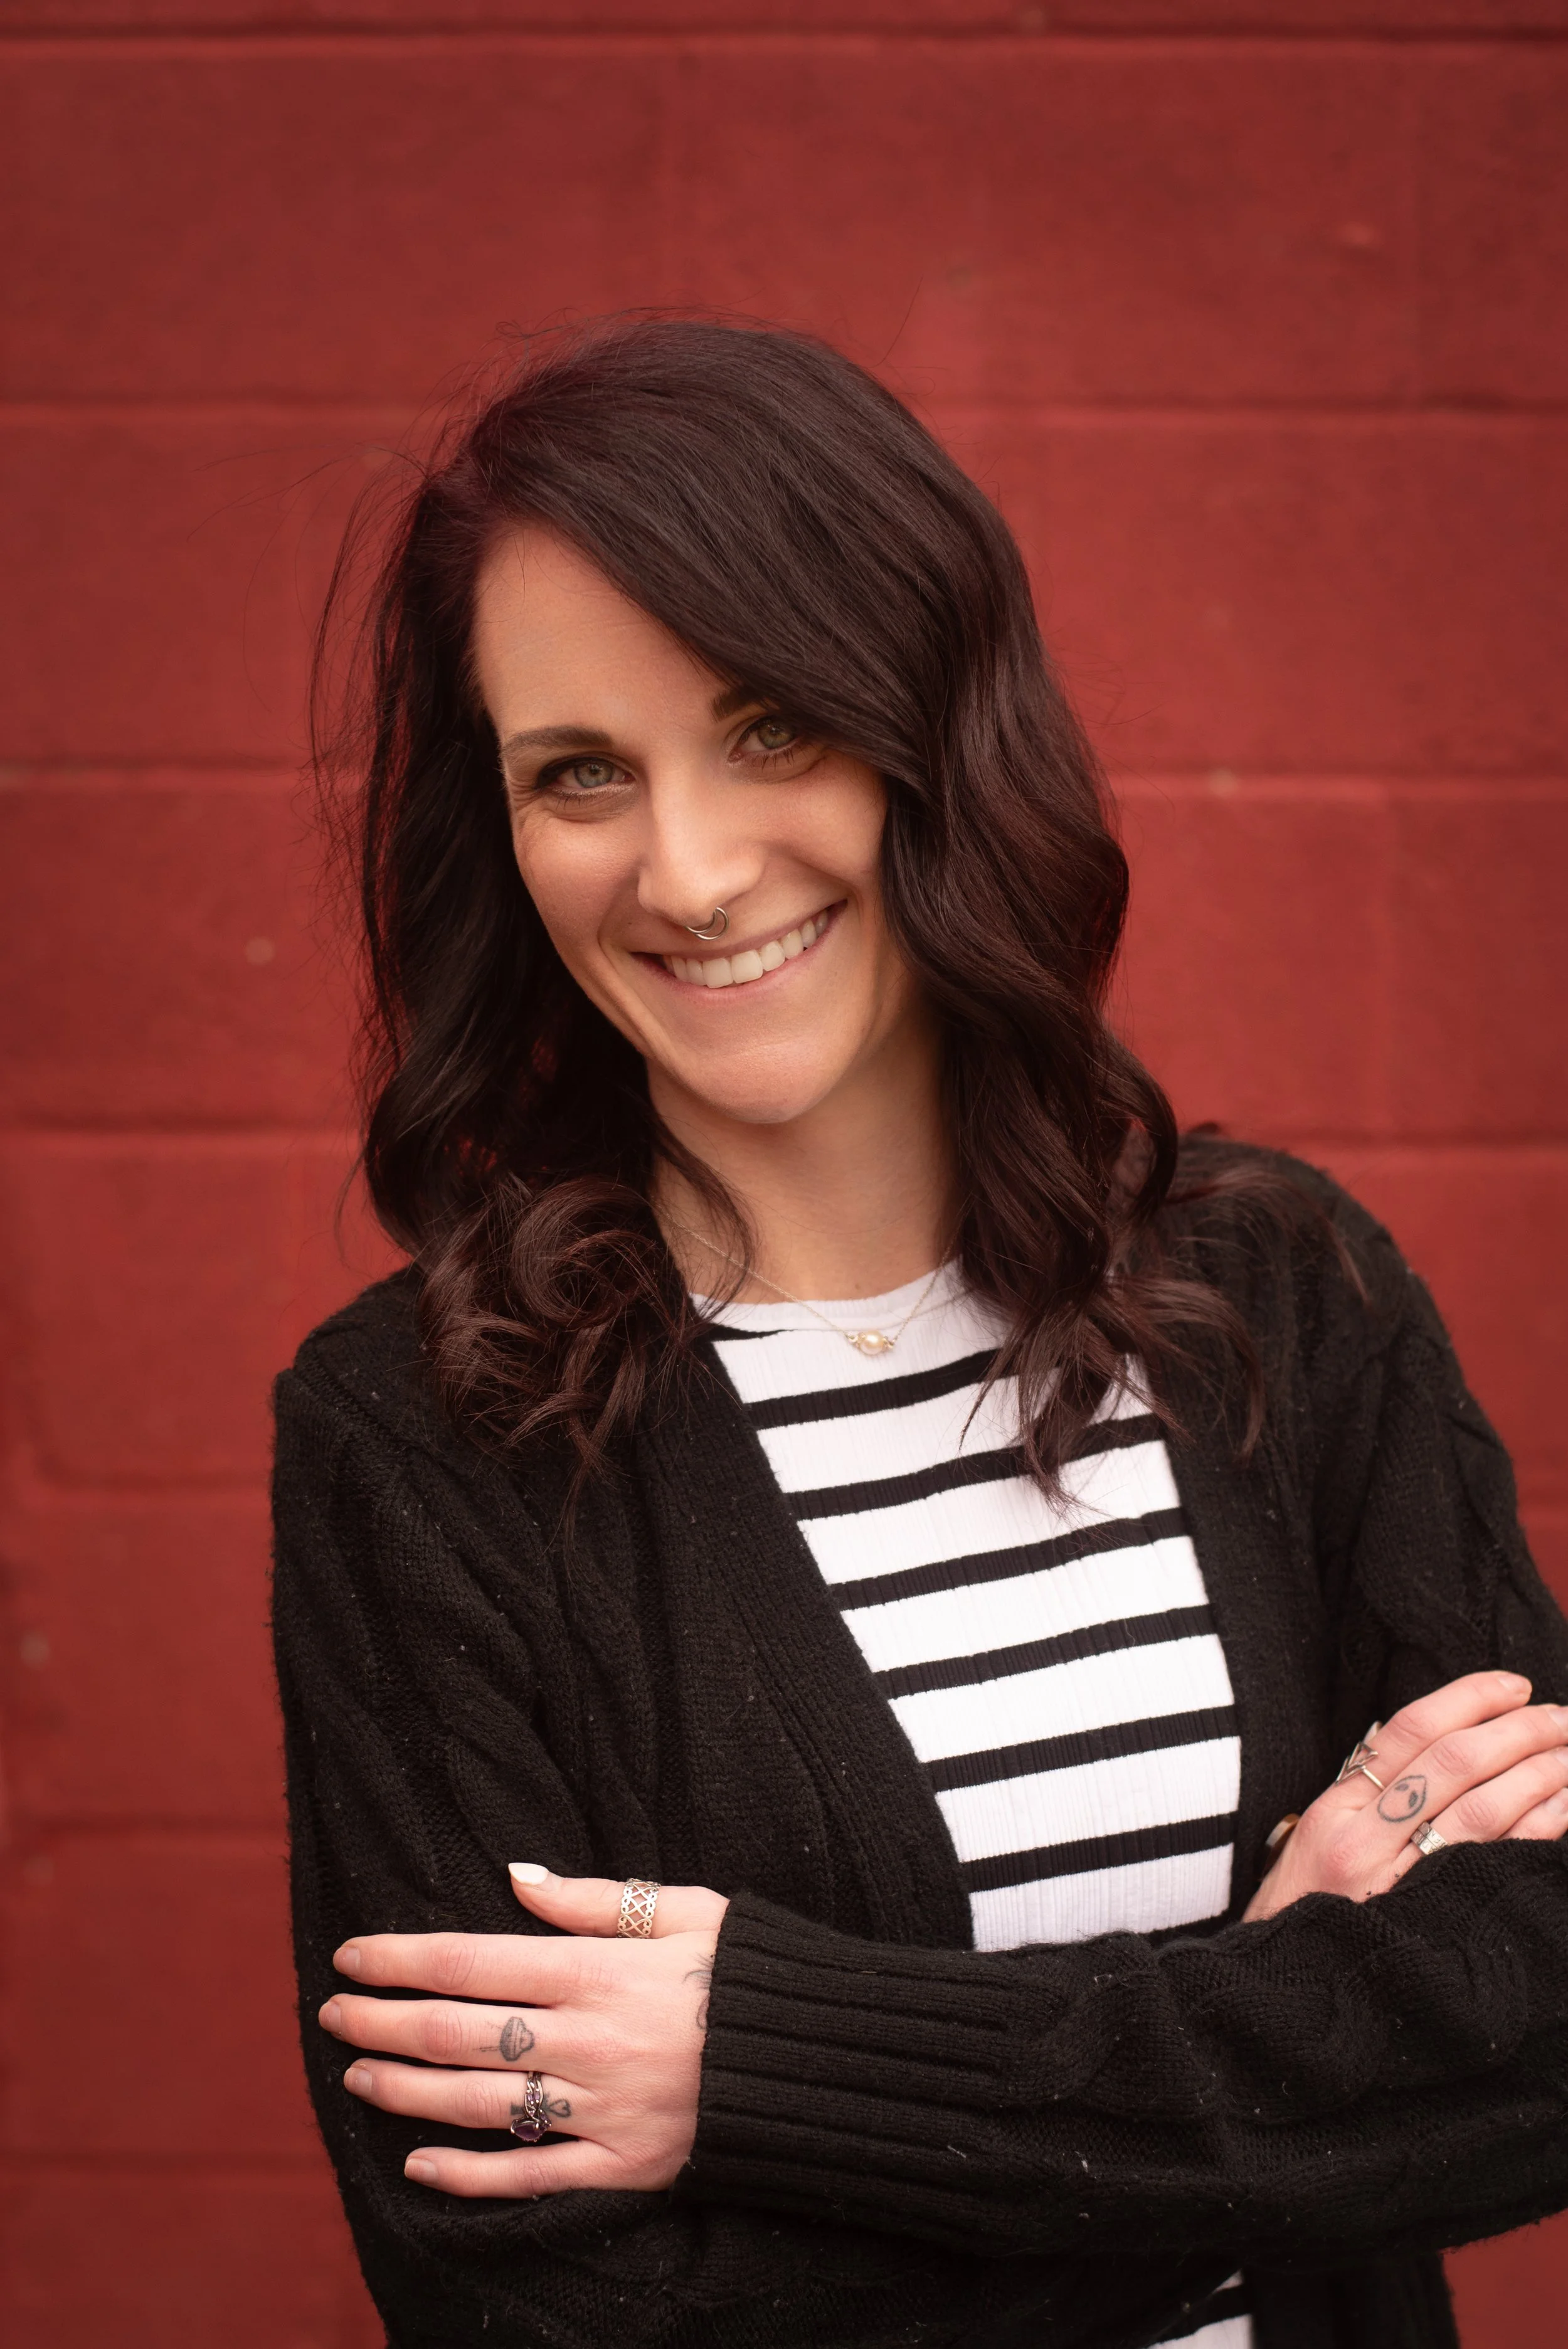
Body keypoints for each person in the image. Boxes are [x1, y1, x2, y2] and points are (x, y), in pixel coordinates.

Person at [271, 318, 1568, 2349]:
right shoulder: (426, 1440)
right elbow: (541, 2309)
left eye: (771, 727)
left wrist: (777, 2063)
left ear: (934, 725)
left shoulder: (1279, 1300)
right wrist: (1287, 2006)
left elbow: (1542, 2037)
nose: (686, 872)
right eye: (579, 773)